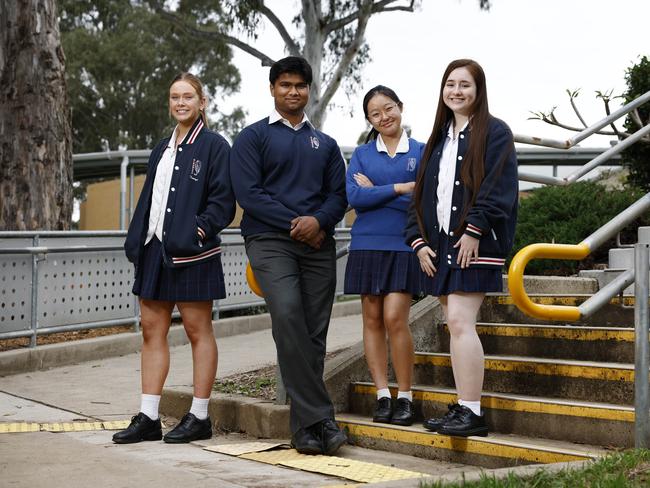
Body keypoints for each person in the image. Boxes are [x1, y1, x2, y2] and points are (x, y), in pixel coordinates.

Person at [230, 57, 348, 455]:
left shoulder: (326, 144)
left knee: (313, 334)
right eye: (285, 85)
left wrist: (318, 223)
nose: (293, 92)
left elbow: (338, 196)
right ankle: (323, 418)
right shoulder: (252, 137)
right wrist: (299, 224)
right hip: (269, 240)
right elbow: (249, 195)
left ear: (309, 91)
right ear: (272, 89)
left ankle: (305, 429)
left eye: (300, 85)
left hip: (317, 245)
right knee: (287, 316)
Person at [115, 73, 235, 444]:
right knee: (152, 331)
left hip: (192, 253)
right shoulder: (160, 148)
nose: (180, 103)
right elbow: (152, 198)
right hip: (155, 250)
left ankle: (199, 416)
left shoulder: (216, 146)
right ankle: (149, 416)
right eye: (174, 97)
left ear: (202, 102)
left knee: (199, 330)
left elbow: (223, 203)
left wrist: (196, 231)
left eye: (188, 96)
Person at [405, 59, 518, 437]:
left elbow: (497, 186)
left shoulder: (495, 132)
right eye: (450, 84)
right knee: (455, 327)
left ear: (478, 90)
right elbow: (422, 194)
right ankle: (464, 406)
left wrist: (473, 229)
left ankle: (472, 411)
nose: (456, 91)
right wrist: (418, 241)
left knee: (459, 322)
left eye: (465, 85)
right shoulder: (439, 137)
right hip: (440, 246)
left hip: (476, 242)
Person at [344, 85, 425, 426]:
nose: (384, 117)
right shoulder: (362, 154)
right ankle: (382, 395)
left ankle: (405, 395)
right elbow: (353, 197)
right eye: (375, 113)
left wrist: (375, 190)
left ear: (400, 107)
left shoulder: (421, 151)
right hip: (366, 243)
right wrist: (400, 187)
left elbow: (422, 200)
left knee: (395, 318)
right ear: (369, 119)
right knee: (372, 319)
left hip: (404, 243)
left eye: (388, 108)